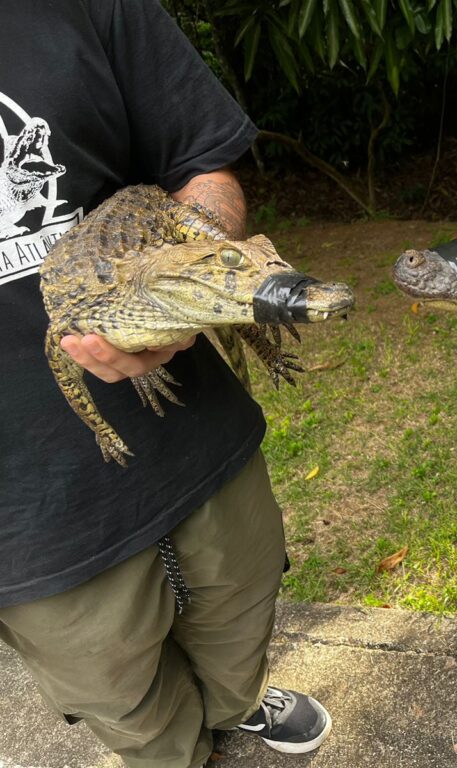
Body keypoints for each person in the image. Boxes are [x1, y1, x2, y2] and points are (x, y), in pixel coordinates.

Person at [0, 2, 331, 766]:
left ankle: (238, 702)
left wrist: (191, 288)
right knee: (126, 701)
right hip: (23, 508)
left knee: (242, 610)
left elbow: (197, 168)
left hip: (194, 427)